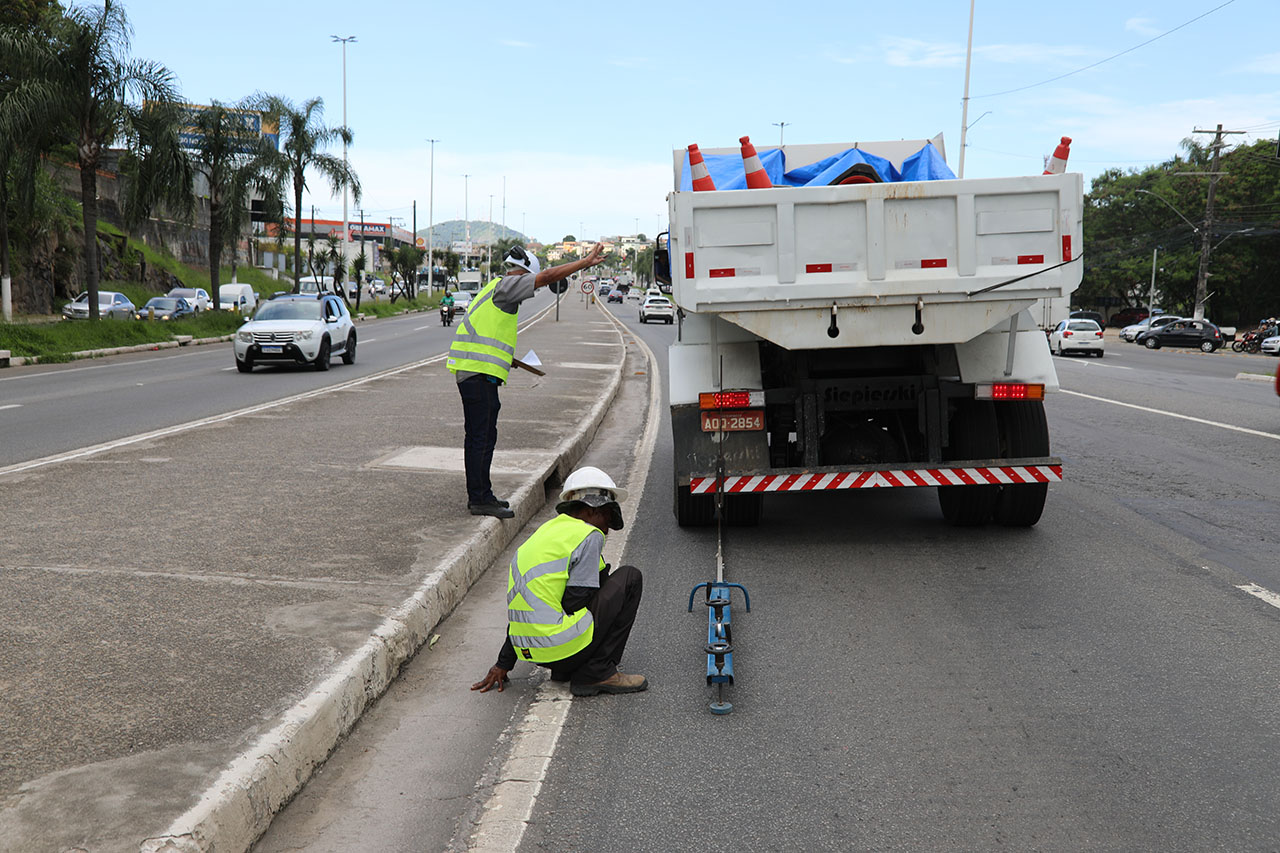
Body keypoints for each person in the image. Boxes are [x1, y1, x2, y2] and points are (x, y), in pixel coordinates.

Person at [448, 243, 608, 518]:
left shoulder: (495, 289)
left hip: (477, 373)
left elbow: (486, 334)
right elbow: (546, 277)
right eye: (528, 282)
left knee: (484, 436)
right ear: (521, 274)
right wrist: (583, 264)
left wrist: (510, 359)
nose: (527, 292)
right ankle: (479, 499)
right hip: (477, 374)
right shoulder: (508, 285)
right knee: (480, 438)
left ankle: (483, 494)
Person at [471, 466, 647, 697]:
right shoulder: (588, 534)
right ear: (593, 510)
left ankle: (570, 669)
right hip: (562, 648)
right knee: (630, 577)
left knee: (598, 588)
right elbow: (575, 602)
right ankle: (598, 672)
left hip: (536, 652)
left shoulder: (544, 535)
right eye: (607, 515)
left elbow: (527, 609)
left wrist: (502, 663)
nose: (607, 528)